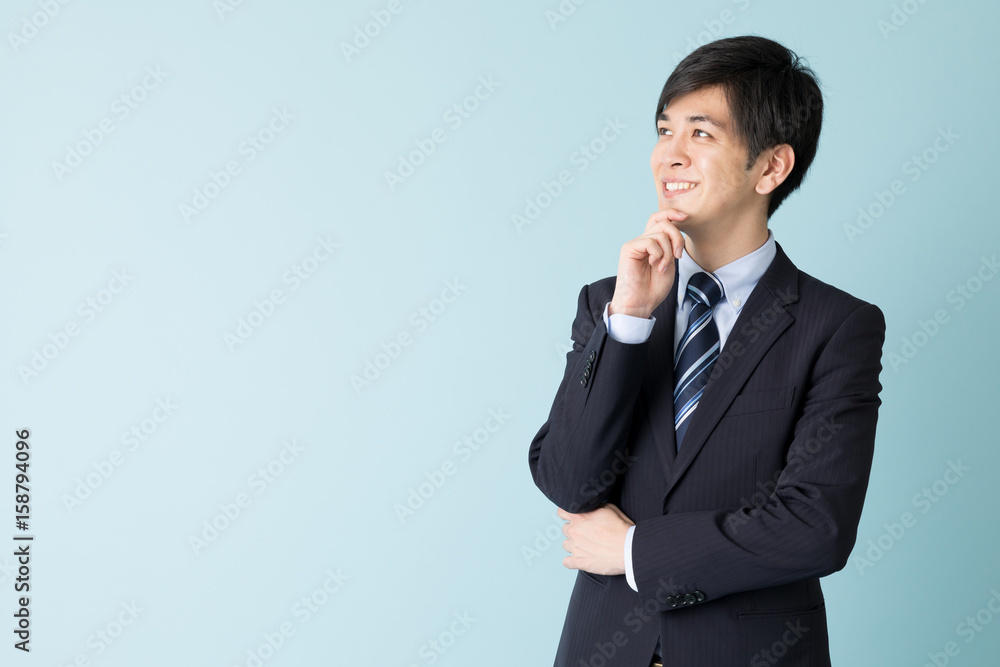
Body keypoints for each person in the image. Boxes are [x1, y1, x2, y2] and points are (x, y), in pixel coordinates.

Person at [527, 35, 885, 666]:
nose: (669, 156)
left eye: (700, 134)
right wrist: (630, 321)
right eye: (664, 131)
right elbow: (569, 480)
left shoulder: (836, 326)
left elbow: (816, 527)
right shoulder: (609, 304)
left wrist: (636, 551)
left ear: (771, 167)